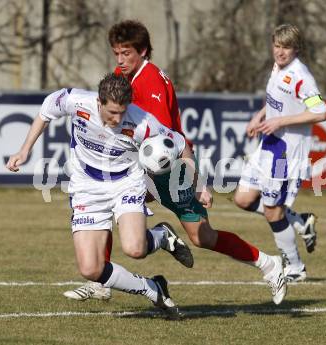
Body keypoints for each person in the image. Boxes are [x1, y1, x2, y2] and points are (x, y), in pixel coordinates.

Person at [64, 19, 287, 305]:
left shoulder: (150, 80)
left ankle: (268, 264)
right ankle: (102, 280)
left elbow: (163, 144)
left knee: (202, 236)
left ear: (143, 51)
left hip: (169, 172)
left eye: (126, 53)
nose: (120, 60)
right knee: (104, 201)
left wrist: (196, 184)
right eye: (116, 53)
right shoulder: (129, 80)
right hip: (146, 169)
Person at [6, 73, 197, 316]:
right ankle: (152, 288)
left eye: (122, 112)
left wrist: (194, 182)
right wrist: (24, 151)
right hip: (86, 186)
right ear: (99, 102)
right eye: (111, 113)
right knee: (90, 269)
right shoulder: (75, 101)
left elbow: (181, 145)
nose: (117, 119)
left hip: (126, 183)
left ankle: (160, 236)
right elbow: (45, 112)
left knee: (135, 249)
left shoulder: (143, 122)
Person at [234, 24, 326, 282]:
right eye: (277, 46)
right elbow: (275, 98)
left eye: (286, 47)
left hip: (287, 152)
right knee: (243, 199)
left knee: (273, 210)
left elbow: (321, 112)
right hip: (269, 143)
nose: (280, 52)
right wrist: (260, 115)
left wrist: (280, 121)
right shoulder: (278, 67)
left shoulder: (301, 76)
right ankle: (300, 221)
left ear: (296, 49)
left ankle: (296, 268)